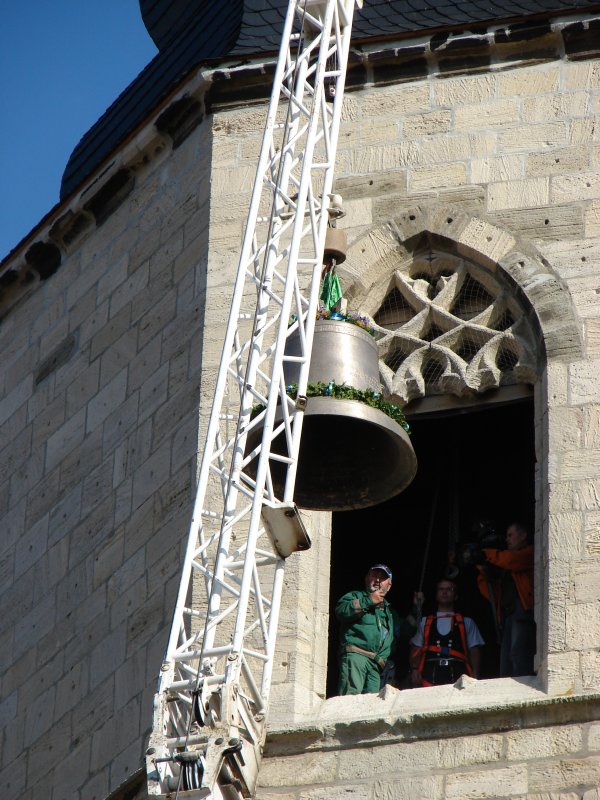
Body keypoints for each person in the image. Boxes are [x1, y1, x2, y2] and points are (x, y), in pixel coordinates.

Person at [335, 564, 419, 695]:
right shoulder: (356, 596)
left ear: (389, 586)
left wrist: (417, 608)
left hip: (377, 665)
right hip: (357, 656)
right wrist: (368, 600)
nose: (378, 580)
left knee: (370, 707)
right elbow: (341, 611)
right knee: (350, 699)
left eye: (383, 578)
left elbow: (406, 632)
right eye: (374, 575)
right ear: (367, 579)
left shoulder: (391, 613)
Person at [477, 522, 535, 677]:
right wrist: (483, 573)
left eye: (511, 535)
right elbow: (492, 595)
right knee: (506, 662)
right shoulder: (505, 566)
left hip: (522, 613)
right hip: (507, 616)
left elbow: (511, 560)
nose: (507, 539)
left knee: (518, 655)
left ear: (523, 536)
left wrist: (487, 554)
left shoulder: (529, 553)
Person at [409, 578, 484, 687]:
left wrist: (475, 673)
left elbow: (474, 650)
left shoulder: (467, 622)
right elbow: (416, 648)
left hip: (460, 678)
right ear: (436, 595)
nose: (445, 592)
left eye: (449, 589)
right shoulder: (425, 622)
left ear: (456, 595)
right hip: (429, 677)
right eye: (441, 589)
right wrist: (414, 669)